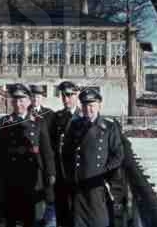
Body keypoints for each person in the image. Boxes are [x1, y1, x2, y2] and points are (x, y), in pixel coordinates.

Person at [0, 83, 56, 227]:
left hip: (33, 176)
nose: (18, 104)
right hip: (10, 175)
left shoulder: (39, 121)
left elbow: (46, 150)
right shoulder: (5, 122)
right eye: (15, 100)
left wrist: (50, 173)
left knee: (31, 217)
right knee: (10, 217)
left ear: (28, 101)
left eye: (21, 100)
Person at [61, 88, 124, 227]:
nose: (87, 109)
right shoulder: (75, 125)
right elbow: (65, 153)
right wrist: (70, 175)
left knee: (99, 221)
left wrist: (103, 171)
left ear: (99, 105)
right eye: (84, 105)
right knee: (78, 222)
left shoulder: (109, 126)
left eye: (91, 105)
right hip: (78, 185)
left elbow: (118, 155)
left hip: (97, 185)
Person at [51, 81, 82, 227]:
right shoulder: (57, 118)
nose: (66, 99)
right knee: (61, 213)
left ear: (77, 95)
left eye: (69, 95)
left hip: (79, 175)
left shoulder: (84, 116)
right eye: (63, 95)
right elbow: (50, 146)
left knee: (78, 215)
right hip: (60, 175)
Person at [29, 84, 57, 227]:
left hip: (46, 160)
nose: (35, 99)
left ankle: (47, 220)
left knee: (48, 193)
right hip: (28, 162)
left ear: (42, 98)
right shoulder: (24, 113)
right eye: (33, 96)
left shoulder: (49, 114)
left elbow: (53, 138)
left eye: (38, 97)